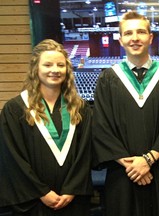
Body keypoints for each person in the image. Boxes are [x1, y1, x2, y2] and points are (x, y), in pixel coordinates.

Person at [92, 11, 159, 216]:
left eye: (141, 32)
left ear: (150, 37)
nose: (135, 38)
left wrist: (148, 160)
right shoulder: (108, 78)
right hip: (122, 175)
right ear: (120, 40)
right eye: (128, 33)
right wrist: (132, 165)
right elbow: (101, 126)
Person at [0, 39, 93, 215]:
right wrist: (41, 192)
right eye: (48, 65)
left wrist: (71, 189)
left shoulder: (80, 108)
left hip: (73, 200)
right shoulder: (15, 109)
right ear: (36, 68)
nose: (55, 70)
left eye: (60, 65)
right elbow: (12, 157)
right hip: (34, 201)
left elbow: (85, 152)